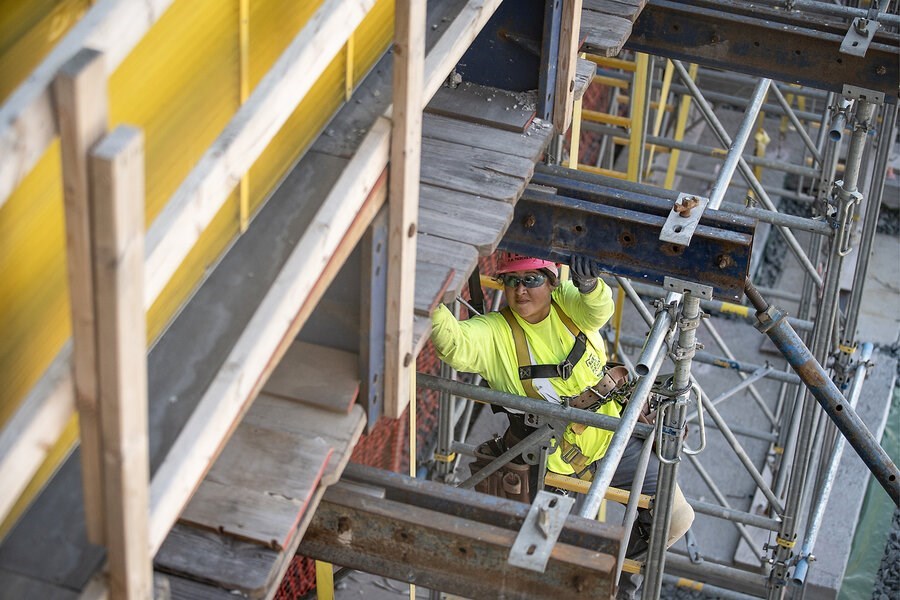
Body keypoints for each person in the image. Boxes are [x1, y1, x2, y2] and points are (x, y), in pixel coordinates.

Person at [430, 251, 694, 598]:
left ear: (552, 281)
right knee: (536, 562)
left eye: (531, 280)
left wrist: (589, 285)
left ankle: (617, 587)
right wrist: (430, 294)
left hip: (613, 442)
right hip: (548, 467)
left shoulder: (568, 304)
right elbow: (454, 344)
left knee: (675, 519)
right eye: (511, 281)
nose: (520, 290)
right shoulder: (495, 333)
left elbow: (598, 310)